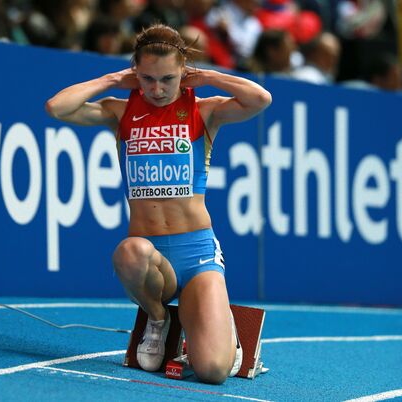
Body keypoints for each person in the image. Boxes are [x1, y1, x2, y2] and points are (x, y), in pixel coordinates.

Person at [46, 23, 271, 384]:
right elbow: (57, 107)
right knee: (127, 252)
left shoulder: (205, 110)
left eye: (168, 78)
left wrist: (209, 77)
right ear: (136, 72)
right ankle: (158, 319)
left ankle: (224, 326)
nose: (157, 88)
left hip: (197, 253)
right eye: (147, 78)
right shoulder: (120, 112)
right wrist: (110, 80)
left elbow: (260, 99)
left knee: (213, 372)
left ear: (183, 72)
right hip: (152, 257)